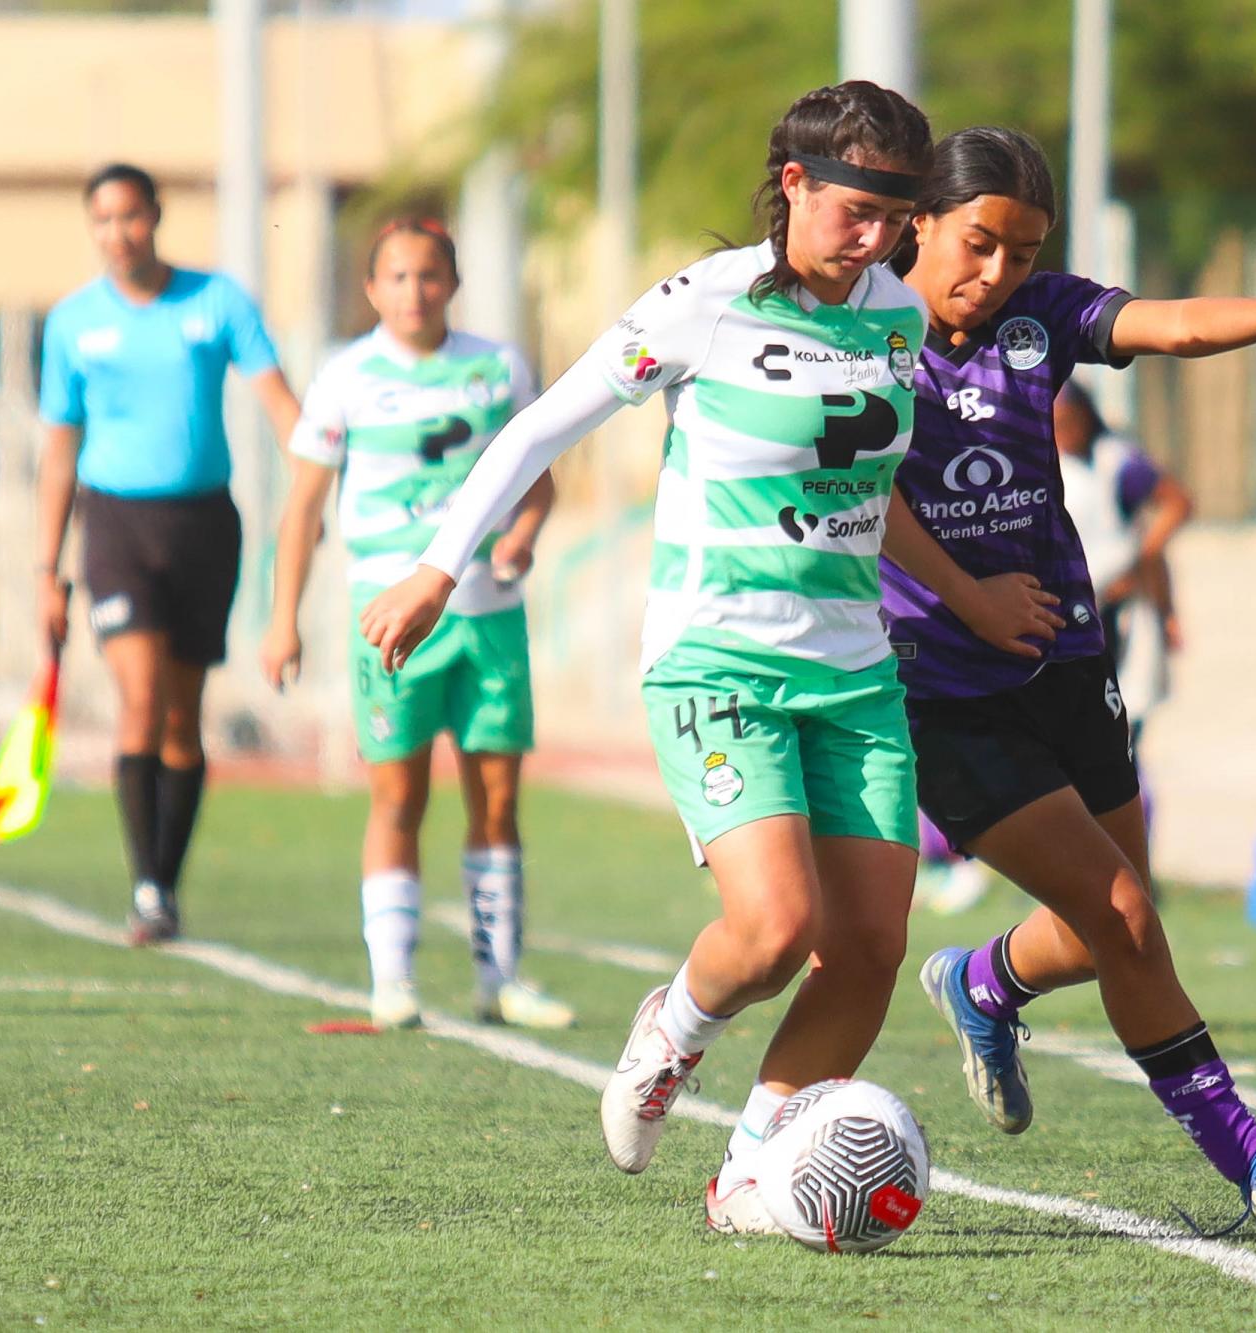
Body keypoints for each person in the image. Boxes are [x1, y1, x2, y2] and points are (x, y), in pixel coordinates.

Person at [358, 83, 934, 1233]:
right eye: (855, 208)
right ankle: (667, 1035)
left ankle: (751, 1172)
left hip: (854, 674)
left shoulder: (898, 316)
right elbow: (540, 426)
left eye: (896, 213)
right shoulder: (701, 306)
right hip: (717, 660)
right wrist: (436, 567)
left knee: (866, 945)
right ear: (794, 186)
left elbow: (871, 488)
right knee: (773, 931)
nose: (874, 235)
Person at [882, 126, 1256, 1234]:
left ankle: (982, 983)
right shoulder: (864, 330)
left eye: (1020, 252)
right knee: (1119, 915)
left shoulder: (1037, 314)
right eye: (978, 243)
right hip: (939, 685)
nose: (996, 272)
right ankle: (1250, 1159)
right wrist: (971, 598)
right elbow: (868, 505)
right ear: (917, 219)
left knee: (1120, 916)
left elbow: (1173, 325)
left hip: (1061, 660)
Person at [261, 218, 572, 1032]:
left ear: (454, 283)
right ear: (371, 289)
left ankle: (499, 977)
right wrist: (281, 619)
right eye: (396, 277)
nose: (414, 291)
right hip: (389, 620)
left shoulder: (496, 367)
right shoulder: (345, 377)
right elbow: (300, 509)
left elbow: (537, 479)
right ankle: (392, 980)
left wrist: (522, 536)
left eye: (429, 275)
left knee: (496, 801)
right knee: (397, 796)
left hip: (488, 617)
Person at [36, 163, 300, 945]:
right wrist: (44, 571)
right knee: (141, 699)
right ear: (93, 229)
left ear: (157, 215)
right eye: (104, 220)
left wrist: (320, 479)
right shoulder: (73, 323)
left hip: (204, 527)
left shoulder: (217, 302)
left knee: (185, 720)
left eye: (132, 216)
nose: (120, 234)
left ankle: (166, 884)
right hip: (115, 526)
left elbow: (281, 403)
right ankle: (147, 886)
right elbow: (59, 451)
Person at [1052, 379, 1193, 741]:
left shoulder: (1115, 462)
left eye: (1065, 421)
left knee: (1123, 719)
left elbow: (1176, 502)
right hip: (1072, 612)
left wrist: (1141, 557)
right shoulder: (1046, 464)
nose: (1060, 431)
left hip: (1121, 612)